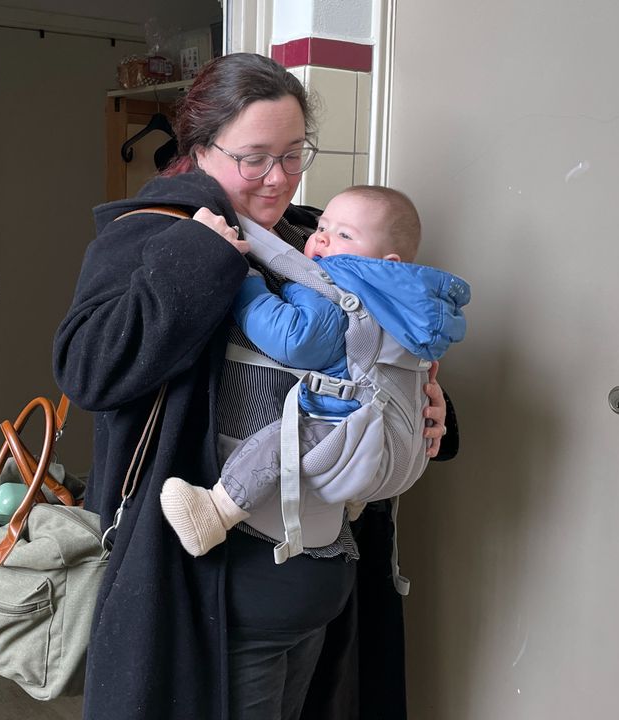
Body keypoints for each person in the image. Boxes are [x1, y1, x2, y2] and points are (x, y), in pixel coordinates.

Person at [53, 52, 457, 720]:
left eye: (294, 154)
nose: (279, 180)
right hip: (205, 596)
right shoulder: (153, 236)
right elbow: (89, 370)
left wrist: (429, 411)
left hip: (320, 583)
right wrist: (205, 259)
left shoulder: (316, 237)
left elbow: (378, 357)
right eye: (255, 158)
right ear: (200, 149)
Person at [159, 185, 468, 559]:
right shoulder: (412, 307)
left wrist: (243, 280)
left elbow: (292, 337)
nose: (321, 236)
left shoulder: (336, 289)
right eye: (323, 226)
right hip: (395, 453)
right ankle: (352, 497)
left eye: (343, 235)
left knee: (278, 442)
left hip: (344, 437)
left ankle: (216, 511)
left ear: (389, 262)